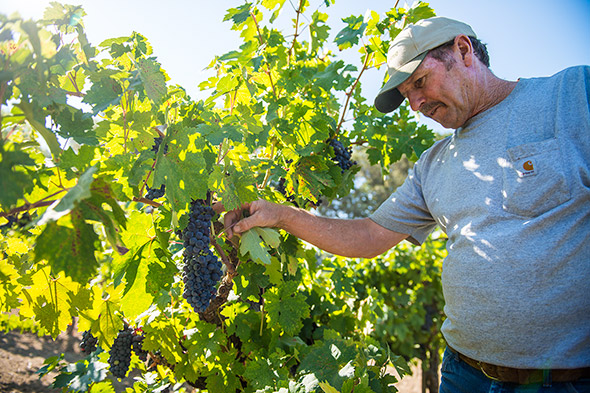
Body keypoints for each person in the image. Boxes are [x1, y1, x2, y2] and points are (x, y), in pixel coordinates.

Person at [223, 16, 590, 392]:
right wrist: (281, 215)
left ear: (463, 50)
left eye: (419, 83)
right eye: (406, 95)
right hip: (464, 374)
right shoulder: (434, 164)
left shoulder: (574, 95)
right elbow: (369, 235)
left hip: (562, 381)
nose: (415, 104)